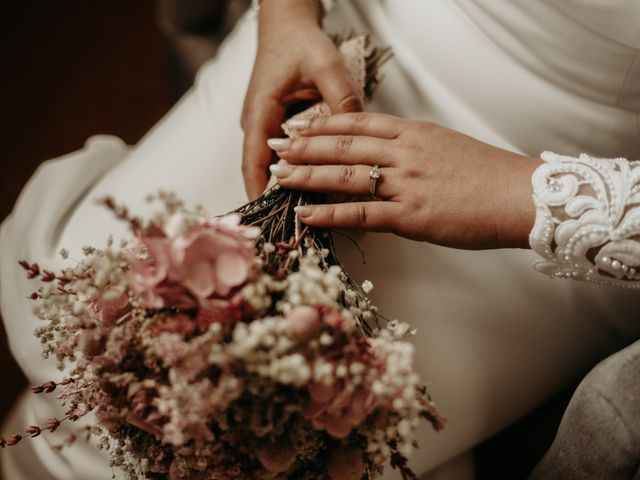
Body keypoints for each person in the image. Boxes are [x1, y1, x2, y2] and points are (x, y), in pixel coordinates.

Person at [1, 1, 638, 478]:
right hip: (363, 27)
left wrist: (526, 195)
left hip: (565, 169)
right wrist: (287, 18)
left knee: (279, 452)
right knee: (87, 329)